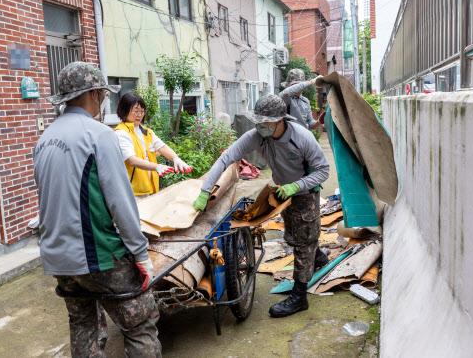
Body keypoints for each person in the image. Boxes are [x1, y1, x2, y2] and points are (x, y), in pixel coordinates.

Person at [33, 61, 161, 357]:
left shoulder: (43, 140)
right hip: (96, 254)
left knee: (83, 326)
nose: (103, 101)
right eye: (103, 95)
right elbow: (120, 201)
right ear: (93, 93)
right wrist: (140, 253)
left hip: (57, 257)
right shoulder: (99, 134)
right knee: (140, 323)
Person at [193, 94, 330, 318]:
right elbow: (227, 157)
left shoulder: (302, 137)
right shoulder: (258, 136)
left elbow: (323, 170)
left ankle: (299, 296)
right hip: (282, 193)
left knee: (304, 243)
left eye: (265, 122)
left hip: (304, 193)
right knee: (292, 237)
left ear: (280, 120)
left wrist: (298, 185)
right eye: (258, 121)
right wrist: (205, 190)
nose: (260, 126)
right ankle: (318, 258)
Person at [114, 92, 192, 198]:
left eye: (142, 111)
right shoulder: (121, 133)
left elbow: (161, 146)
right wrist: (157, 167)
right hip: (132, 192)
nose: (140, 115)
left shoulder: (146, 131)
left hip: (150, 190)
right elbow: (132, 160)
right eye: (136, 111)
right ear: (124, 110)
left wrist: (176, 158)